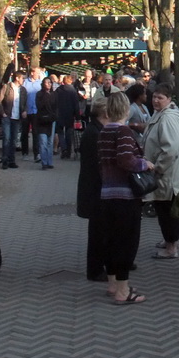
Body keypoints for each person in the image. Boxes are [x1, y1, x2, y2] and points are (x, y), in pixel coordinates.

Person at [97, 91, 155, 304]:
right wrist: (144, 164)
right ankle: (123, 290)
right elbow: (125, 159)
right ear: (124, 109)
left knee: (111, 241)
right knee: (126, 243)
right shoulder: (123, 131)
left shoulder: (104, 131)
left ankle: (113, 284)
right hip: (125, 195)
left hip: (107, 193)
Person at [141, 84, 179, 259]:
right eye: (154, 97)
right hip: (166, 173)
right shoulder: (161, 114)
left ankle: (171, 247)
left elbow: (170, 148)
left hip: (167, 174)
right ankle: (169, 240)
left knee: (167, 211)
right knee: (164, 209)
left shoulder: (167, 118)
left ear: (169, 99)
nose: (155, 100)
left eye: (160, 97)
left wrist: (158, 167)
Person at [77, 100, 112, 281]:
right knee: (98, 232)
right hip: (95, 190)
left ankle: (100, 265)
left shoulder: (95, 130)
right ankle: (96, 269)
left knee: (100, 230)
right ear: (105, 114)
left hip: (95, 188)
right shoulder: (95, 133)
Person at [0, 71, 27, 170]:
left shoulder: (23, 90)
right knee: (7, 139)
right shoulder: (7, 87)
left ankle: (12, 160)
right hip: (8, 117)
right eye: (22, 78)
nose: (24, 80)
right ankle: (5, 160)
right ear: (17, 78)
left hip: (17, 117)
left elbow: (25, 102)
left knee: (14, 140)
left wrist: (24, 111)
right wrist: (3, 113)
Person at [35, 76, 58, 168]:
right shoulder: (39, 94)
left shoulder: (54, 94)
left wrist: (55, 116)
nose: (48, 84)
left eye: (50, 82)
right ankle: (44, 162)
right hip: (41, 120)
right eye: (46, 82)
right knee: (43, 141)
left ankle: (49, 162)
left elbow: (56, 107)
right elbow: (39, 106)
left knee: (50, 142)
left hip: (51, 120)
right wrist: (45, 96)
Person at [23, 67, 44, 162]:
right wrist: (23, 109)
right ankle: (25, 152)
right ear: (32, 73)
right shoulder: (25, 83)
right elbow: (21, 97)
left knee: (36, 133)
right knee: (24, 133)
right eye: (37, 73)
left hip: (36, 111)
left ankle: (37, 154)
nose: (38, 74)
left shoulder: (40, 83)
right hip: (26, 111)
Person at [55, 74, 79, 160]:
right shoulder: (73, 91)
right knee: (69, 133)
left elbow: (55, 102)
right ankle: (68, 151)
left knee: (60, 132)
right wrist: (78, 116)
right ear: (71, 81)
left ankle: (63, 148)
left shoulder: (58, 90)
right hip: (70, 114)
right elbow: (76, 105)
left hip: (60, 114)